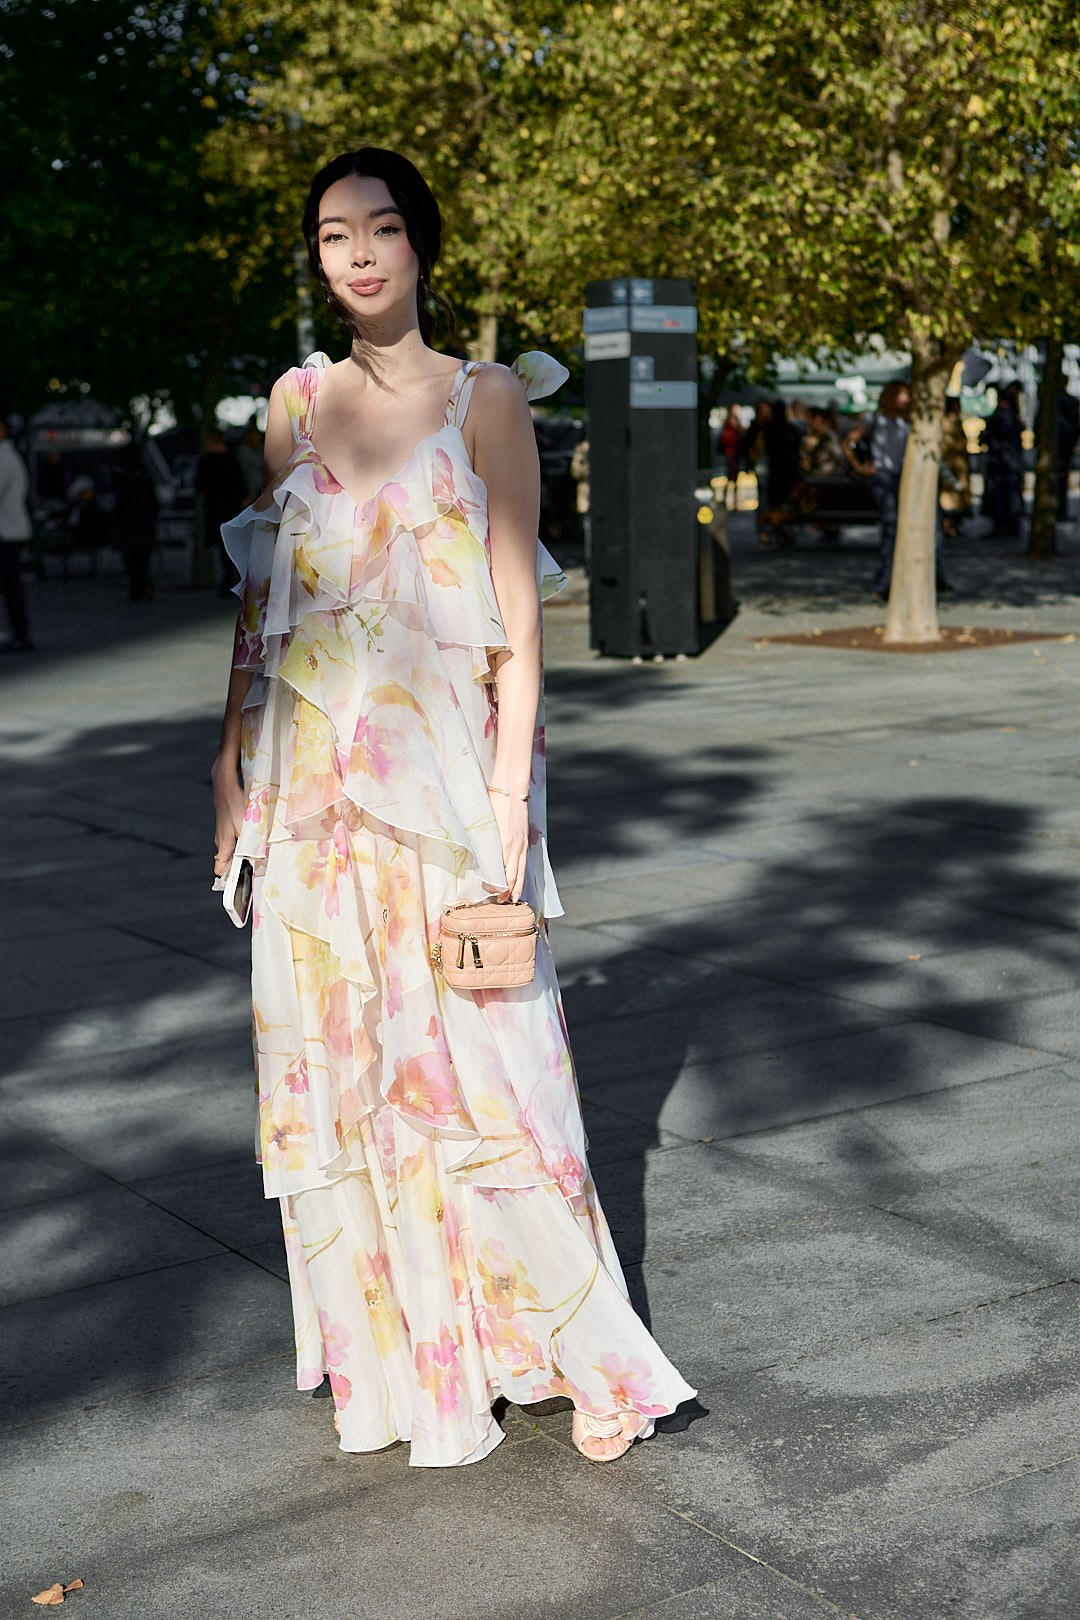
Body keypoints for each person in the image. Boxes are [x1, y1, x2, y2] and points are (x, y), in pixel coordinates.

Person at [210, 146, 695, 1470]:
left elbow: (517, 634)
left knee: (494, 1079)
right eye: (331, 235)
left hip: (449, 791)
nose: (356, 253)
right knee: (351, 1078)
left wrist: (506, 806)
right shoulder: (293, 405)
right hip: (310, 795)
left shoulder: (486, 402)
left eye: (378, 229)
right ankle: (412, 1369)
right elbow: (265, 609)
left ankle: (585, 1355)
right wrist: (229, 762)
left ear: (421, 243)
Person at [844, 382, 910, 596]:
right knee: (891, 528)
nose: (906, 399)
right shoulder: (873, 420)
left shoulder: (905, 421)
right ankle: (883, 583)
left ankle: (895, 581)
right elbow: (848, 443)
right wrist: (860, 467)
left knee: (902, 530)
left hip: (901, 477)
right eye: (902, 394)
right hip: (882, 477)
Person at [196, 429, 247, 594]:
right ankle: (233, 578)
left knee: (220, 544)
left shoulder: (206, 460)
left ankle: (226, 580)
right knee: (231, 542)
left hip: (215, 506)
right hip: (231, 506)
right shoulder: (231, 459)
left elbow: (199, 484)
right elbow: (241, 483)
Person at [0, 417, 34, 652]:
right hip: (10, 531)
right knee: (11, 585)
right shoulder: (9, 456)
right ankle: (19, 632)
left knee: (11, 586)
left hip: (7, 532)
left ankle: (20, 633)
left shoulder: (4, 458)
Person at [980, 381, 1024, 538]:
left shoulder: (1003, 415)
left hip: (1002, 463)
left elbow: (994, 438)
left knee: (1002, 496)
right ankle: (1010, 525)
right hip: (1009, 462)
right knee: (1009, 495)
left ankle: (1004, 526)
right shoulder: (1012, 414)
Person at [939, 396, 972, 541]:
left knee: (958, 499)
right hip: (951, 465)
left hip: (959, 465)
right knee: (949, 499)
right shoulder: (947, 422)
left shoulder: (956, 420)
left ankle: (954, 526)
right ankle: (948, 526)